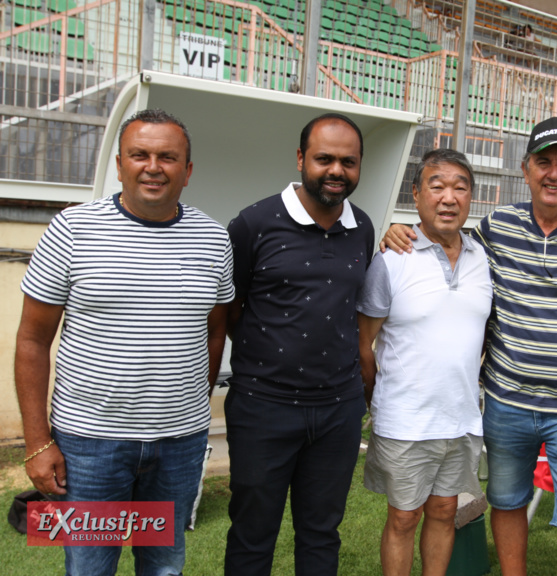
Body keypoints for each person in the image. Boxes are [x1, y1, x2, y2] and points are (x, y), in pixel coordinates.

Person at [382, 117, 557, 576]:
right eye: (544, 162)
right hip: (505, 405)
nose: (553, 173)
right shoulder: (497, 227)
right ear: (525, 169)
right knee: (507, 504)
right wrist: (400, 230)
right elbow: (444, 239)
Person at [15, 108, 234, 575]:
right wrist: (37, 443)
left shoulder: (214, 240)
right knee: (91, 567)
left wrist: (190, 403)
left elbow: (215, 330)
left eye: (167, 157)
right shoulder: (72, 230)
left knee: (163, 566)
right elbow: (32, 340)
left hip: (179, 444)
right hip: (90, 446)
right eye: (139, 155)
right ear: (119, 165)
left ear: (187, 171)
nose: (153, 167)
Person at [223, 113, 373, 576]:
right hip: (262, 408)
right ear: (300, 158)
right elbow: (230, 310)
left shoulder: (363, 227)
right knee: (252, 533)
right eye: (324, 158)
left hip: (337, 412)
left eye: (348, 161)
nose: (336, 170)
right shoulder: (253, 223)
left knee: (322, 533)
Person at [358, 149, 493, 575]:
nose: (449, 198)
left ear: (470, 197)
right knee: (403, 517)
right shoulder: (391, 258)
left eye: (460, 188)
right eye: (437, 187)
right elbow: (363, 343)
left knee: (444, 512)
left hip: (461, 418)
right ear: (416, 195)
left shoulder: (483, 258)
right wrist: (376, 400)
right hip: (406, 421)